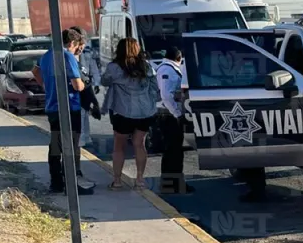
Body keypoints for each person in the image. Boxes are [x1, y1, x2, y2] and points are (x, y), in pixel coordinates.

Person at [33, 29, 92, 195]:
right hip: (69, 107)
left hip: (52, 107)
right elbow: (77, 85)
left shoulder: (46, 56)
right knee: (71, 147)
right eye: (75, 46)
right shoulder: (67, 56)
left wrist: (46, 86)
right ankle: (71, 184)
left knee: (55, 146)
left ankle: (56, 183)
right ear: (71, 43)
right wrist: (84, 84)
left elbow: (35, 72)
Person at [101, 37, 160, 190]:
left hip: (122, 112)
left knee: (118, 146)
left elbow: (104, 81)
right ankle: (140, 179)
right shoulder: (146, 66)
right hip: (144, 112)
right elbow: (155, 88)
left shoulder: (114, 67)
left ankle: (117, 181)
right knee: (139, 144)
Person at [155, 47, 193, 195]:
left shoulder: (170, 68)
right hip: (169, 116)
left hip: (171, 115)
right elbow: (166, 95)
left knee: (175, 152)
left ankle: (176, 183)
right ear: (179, 57)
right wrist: (178, 114)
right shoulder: (167, 70)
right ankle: (170, 185)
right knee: (172, 152)